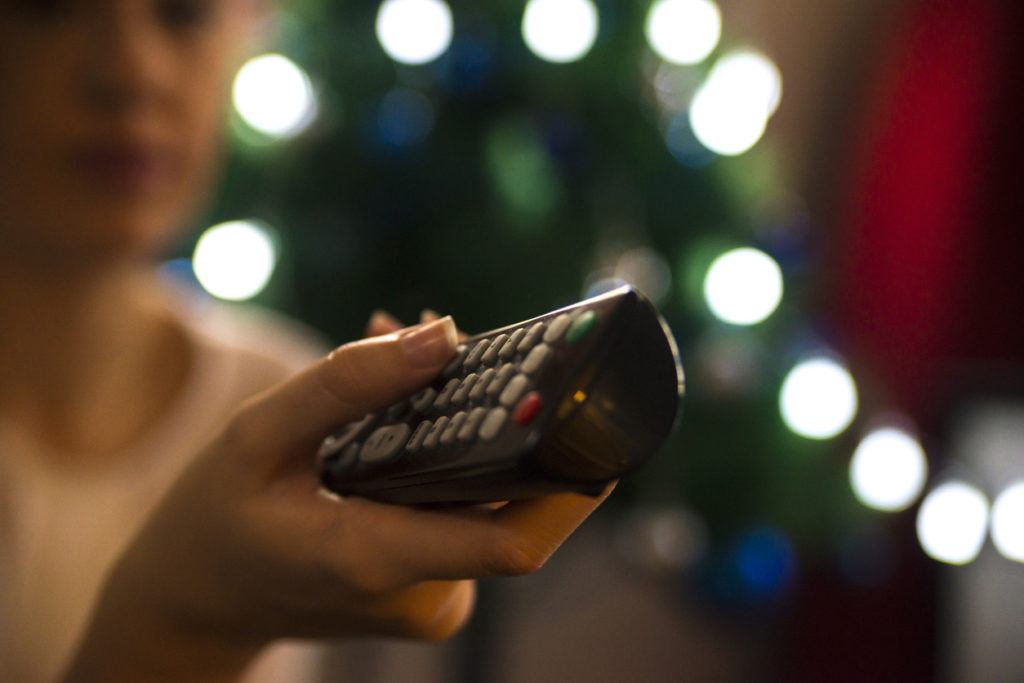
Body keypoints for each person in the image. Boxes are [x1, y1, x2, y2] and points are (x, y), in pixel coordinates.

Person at [0, 1, 610, 681]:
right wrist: (179, 627)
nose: (130, 73)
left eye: (184, 14)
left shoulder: (281, 394)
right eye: (47, 9)